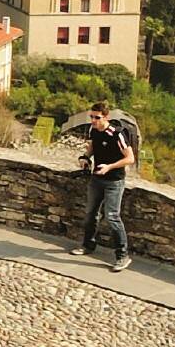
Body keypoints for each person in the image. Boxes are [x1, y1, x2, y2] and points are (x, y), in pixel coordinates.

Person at [70, 101, 135, 271]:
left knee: (112, 216)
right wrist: (85, 157)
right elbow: (92, 145)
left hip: (114, 181)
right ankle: (88, 245)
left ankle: (122, 256)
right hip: (96, 179)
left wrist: (109, 167)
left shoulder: (116, 134)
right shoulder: (94, 130)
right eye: (91, 117)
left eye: (97, 117)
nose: (93, 120)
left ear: (106, 117)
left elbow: (130, 158)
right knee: (91, 213)